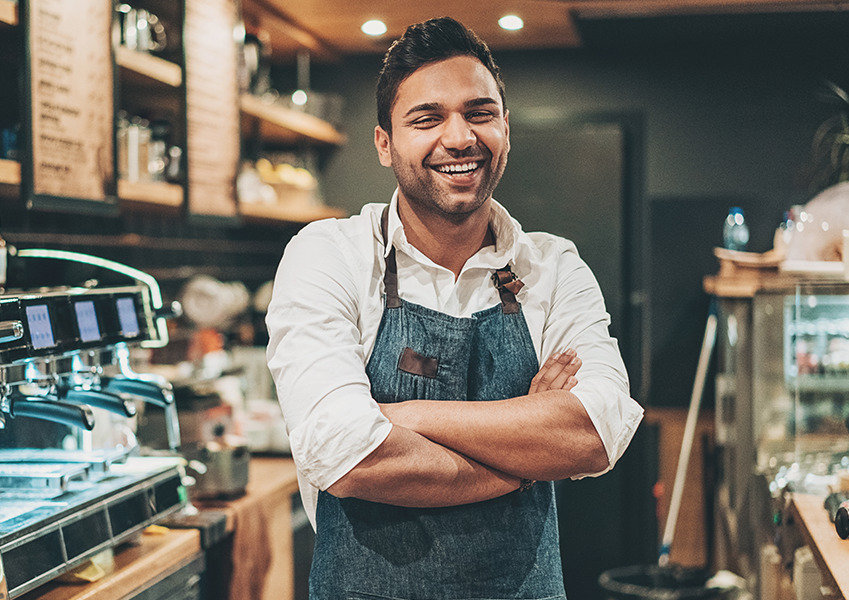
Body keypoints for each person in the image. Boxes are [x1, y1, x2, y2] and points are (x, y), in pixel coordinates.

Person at [266, 16, 644, 600]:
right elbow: (346, 455)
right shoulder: (329, 255)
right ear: (384, 142)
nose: (460, 136)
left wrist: (401, 418)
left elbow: (595, 432)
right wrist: (525, 455)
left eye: (479, 112)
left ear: (506, 129)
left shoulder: (553, 266)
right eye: (427, 118)